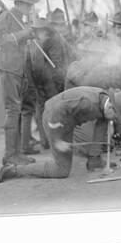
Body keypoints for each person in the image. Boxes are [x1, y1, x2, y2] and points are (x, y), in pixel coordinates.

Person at [0, 86, 121, 182]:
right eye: (116, 118)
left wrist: (95, 157)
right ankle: (13, 170)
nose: (115, 122)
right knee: (61, 170)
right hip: (54, 118)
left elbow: (102, 120)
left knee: (103, 120)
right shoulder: (87, 103)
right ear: (110, 106)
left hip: (67, 119)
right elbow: (58, 109)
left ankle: (94, 160)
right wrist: (57, 139)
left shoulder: (104, 99)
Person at [0, 0, 40, 166]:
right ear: (19, 3)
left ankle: (17, 153)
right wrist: (23, 34)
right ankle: (9, 155)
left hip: (18, 70)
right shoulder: (7, 15)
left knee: (17, 110)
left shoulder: (22, 18)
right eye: (28, 4)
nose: (30, 8)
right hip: (8, 68)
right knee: (12, 111)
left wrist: (28, 35)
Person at [29, 18, 71, 149]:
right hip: (41, 82)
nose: (38, 33)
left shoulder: (53, 42)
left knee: (51, 111)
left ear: (46, 30)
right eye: (37, 30)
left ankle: (51, 140)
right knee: (44, 112)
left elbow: (57, 63)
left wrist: (58, 81)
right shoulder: (37, 43)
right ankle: (47, 140)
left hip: (51, 82)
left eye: (41, 30)